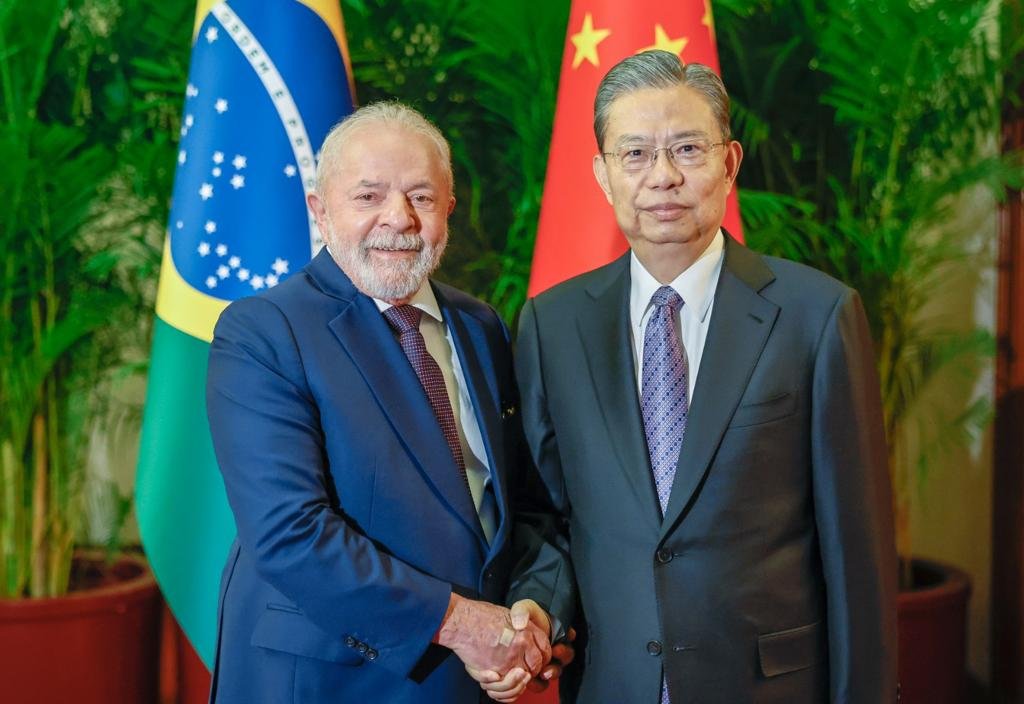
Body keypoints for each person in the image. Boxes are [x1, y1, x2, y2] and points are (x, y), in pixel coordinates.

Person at [506, 51, 898, 703]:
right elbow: (546, 515)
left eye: (686, 148)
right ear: (603, 175)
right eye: (635, 155)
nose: (662, 177)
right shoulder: (553, 324)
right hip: (613, 684)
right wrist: (538, 606)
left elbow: (860, 557)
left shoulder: (817, 316)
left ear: (729, 163)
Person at [205, 101, 569, 703]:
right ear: (320, 212)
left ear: (448, 209)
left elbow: (522, 504)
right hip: (328, 678)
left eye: (421, 197)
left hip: (469, 681)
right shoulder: (262, 331)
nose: (398, 219)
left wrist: (531, 613)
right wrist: (463, 624)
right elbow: (289, 532)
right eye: (368, 196)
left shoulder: (482, 327)